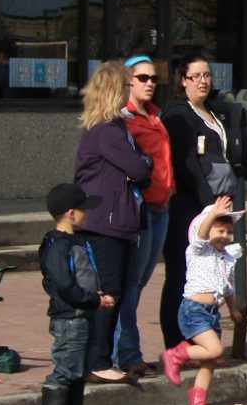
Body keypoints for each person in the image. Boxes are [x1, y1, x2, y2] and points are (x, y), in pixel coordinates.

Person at [73, 60, 151, 384]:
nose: (130, 90)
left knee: (115, 292)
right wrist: (143, 163)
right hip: (103, 225)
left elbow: (141, 166)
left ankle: (102, 358)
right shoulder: (106, 131)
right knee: (107, 293)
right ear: (113, 90)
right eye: (126, 84)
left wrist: (142, 163)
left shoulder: (117, 128)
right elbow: (142, 169)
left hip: (119, 223)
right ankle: (97, 361)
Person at [160, 54, 238, 355]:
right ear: (183, 80)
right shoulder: (179, 113)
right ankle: (176, 344)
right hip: (188, 205)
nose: (203, 81)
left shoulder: (211, 111)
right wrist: (209, 203)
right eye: (196, 76)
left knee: (208, 276)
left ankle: (201, 341)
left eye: (207, 75)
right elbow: (187, 162)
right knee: (181, 275)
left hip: (214, 205)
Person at [38, 182, 115, 405]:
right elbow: (63, 283)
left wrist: (98, 296)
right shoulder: (59, 246)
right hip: (70, 317)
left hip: (83, 314)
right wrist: (92, 300)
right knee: (66, 368)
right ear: (71, 213)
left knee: (79, 368)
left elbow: (84, 274)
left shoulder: (75, 241)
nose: (87, 213)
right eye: (83, 209)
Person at [116, 54, 172, 379]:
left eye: (153, 79)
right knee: (131, 284)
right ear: (128, 81)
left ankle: (124, 350)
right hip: (140, 209)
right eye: (142, 78)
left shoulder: (154, 115)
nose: (150, 83)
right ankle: (126, 354)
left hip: (161, 207)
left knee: (139, 282)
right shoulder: (124, 118)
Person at [163, 197, 242, 405]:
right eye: (220, 230)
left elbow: (229, 287)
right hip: (193, 310)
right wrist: (212, 214)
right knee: (215, 350)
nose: (225, 236)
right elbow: (200, 235)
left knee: (209, 363)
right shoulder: (198, 250)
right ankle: (175, 354)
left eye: (228, 232)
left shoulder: (227, 258)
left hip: (211, 314)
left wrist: (234, 310)